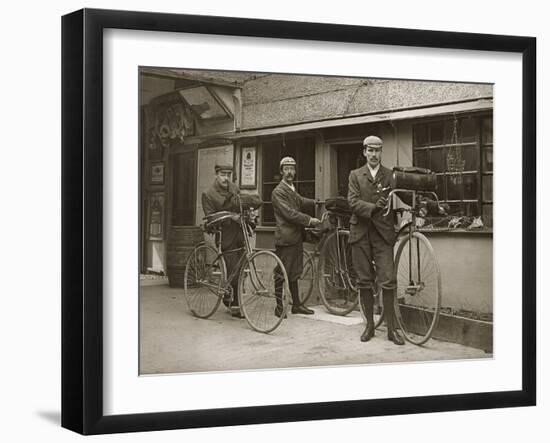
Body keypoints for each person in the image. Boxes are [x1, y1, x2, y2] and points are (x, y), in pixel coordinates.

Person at [347, 135, 406, 345]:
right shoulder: (355, 175)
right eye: (370, 151)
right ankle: (369, 326)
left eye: (377, 151)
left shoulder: (390, 176)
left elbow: (400, 199)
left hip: (383, 235)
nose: (373, 154)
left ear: (381, 153)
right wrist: (373, 207)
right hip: (361, 234)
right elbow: (353, 202)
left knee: (388, 281)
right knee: (364, 281)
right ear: (364, 152)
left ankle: (391, 329)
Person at [271, 156, 321, 317]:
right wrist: (309, 220)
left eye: (292, 169)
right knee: (281, 272)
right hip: (285, 238)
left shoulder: (291, 188)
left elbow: (300, 200)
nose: (289, 172)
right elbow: (289, 213)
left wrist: (317, 202)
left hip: (295, 236)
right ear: (281, 171)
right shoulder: (278, 191)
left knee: (293, 272)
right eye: (286, 169)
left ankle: (297, 305)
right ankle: (279, 307)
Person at [201, 163, 245, 318]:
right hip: (225, 235)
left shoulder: (234, 188)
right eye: (223, 175)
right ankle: (235, 304)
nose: (226, 178)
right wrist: (230, 216)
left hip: (240, 233)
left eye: (228, 175)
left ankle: (229, 295)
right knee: (234, 268)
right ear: (216, 174)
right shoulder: (208, 194)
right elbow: (210, 218)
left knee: (243, 268)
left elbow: (240, 205)